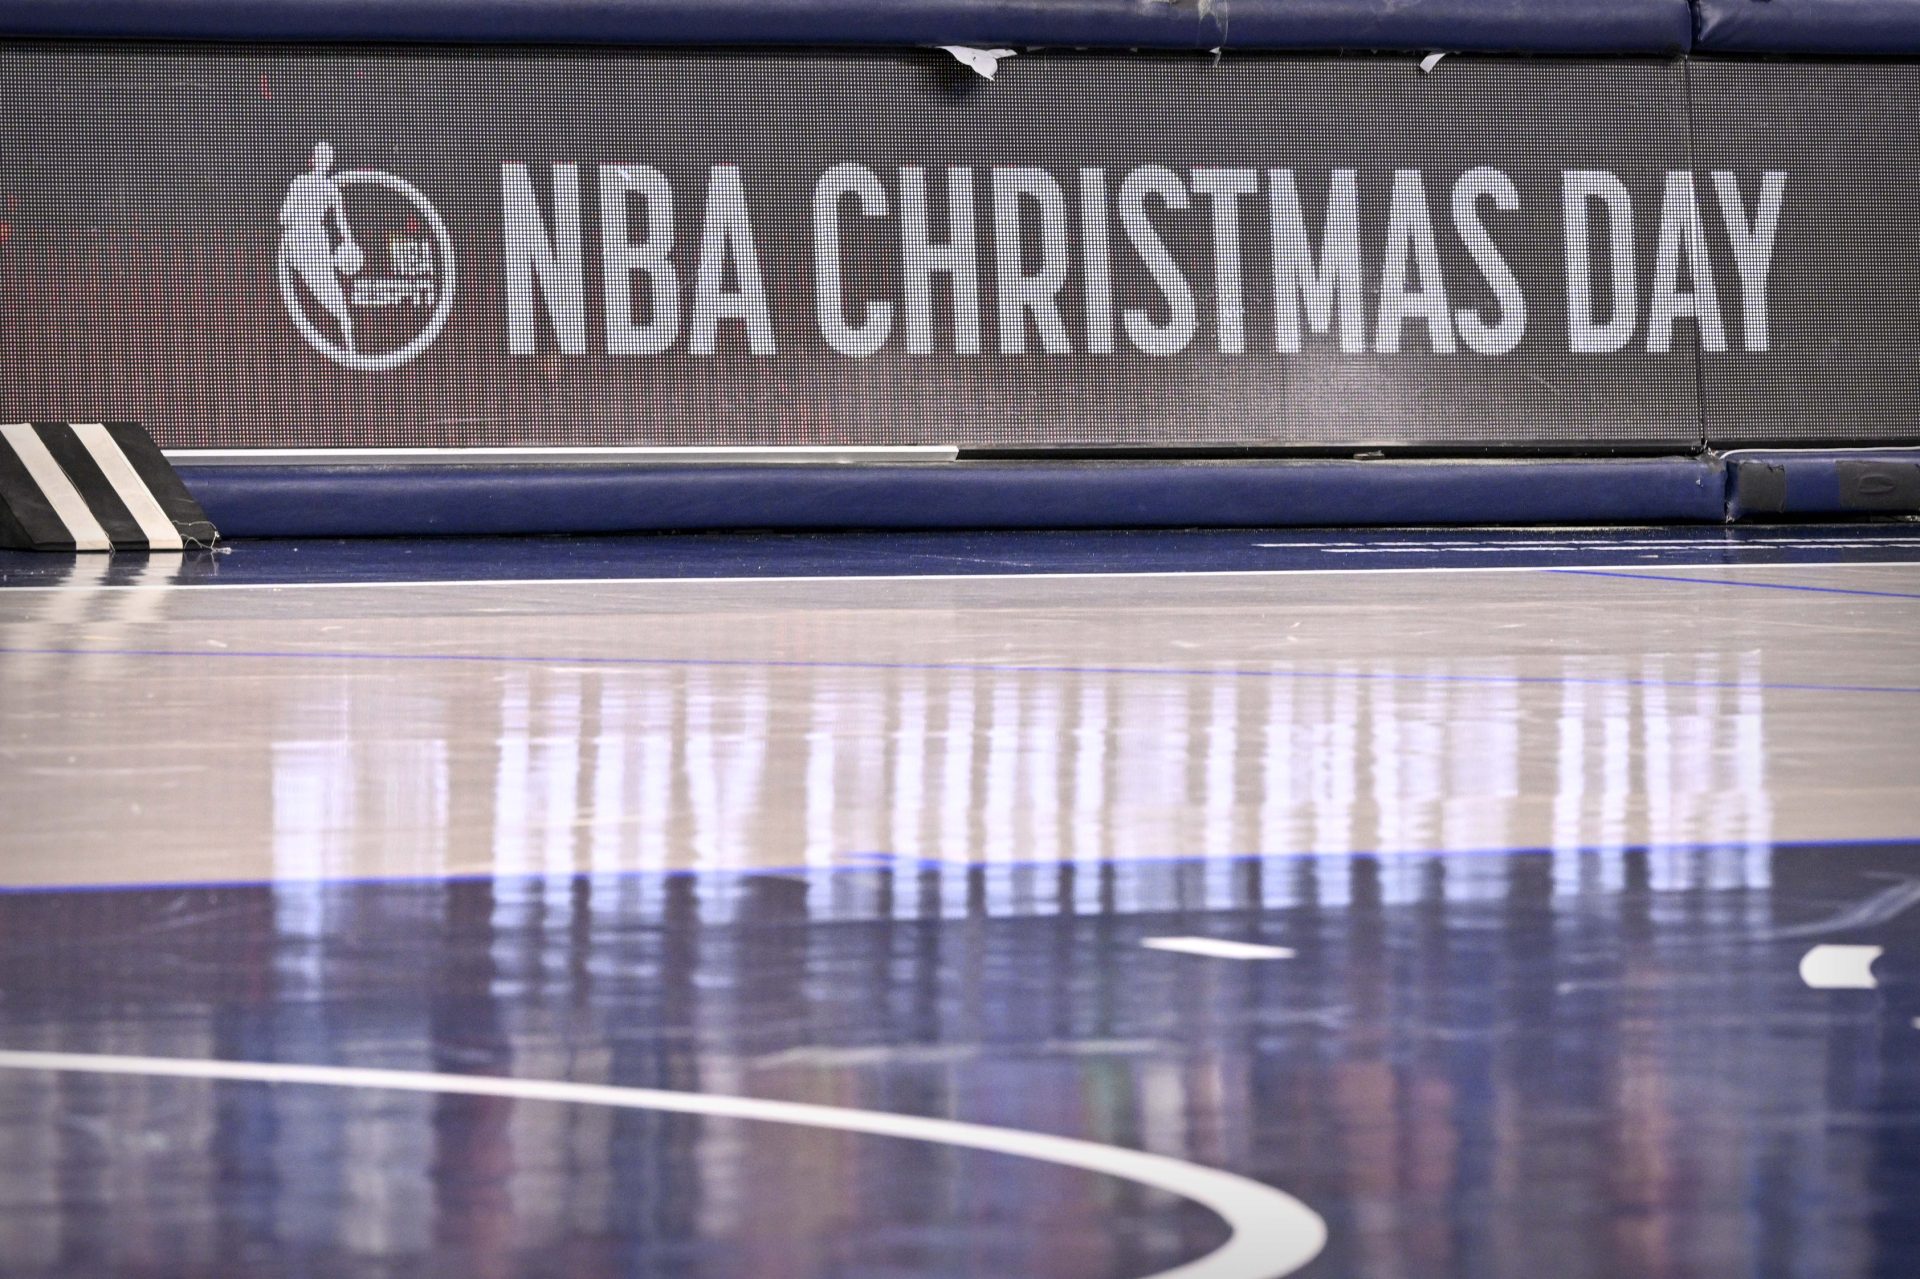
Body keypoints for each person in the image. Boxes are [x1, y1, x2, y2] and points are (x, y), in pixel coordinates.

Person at [278, 142, 361, 354]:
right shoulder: (300, 183)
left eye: (327, 158)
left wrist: (349, 245)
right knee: (326, 290)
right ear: (314, 159)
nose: (325, 161)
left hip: (316, 241)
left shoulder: (330, 189)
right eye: (322, 157)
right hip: (302, 241)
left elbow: (342, 223)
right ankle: (349, 343)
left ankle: (350, 347)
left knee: (333, 294)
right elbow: (284, 217)